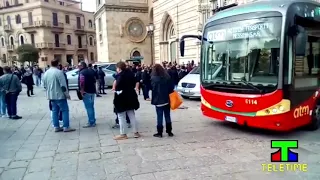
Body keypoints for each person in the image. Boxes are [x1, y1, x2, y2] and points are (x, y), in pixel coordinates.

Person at [43, 59, 75, 132]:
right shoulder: (59, 72)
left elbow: (44, 85)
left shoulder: (46, 73)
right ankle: (66, 126)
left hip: (51, 95)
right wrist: (67, 94)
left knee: (54, 111)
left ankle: (56, 126)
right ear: (57, 64)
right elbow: (63, 85)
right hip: (60, 95)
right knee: (64, 110)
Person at [113, 61, 140, 140]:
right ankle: (135, 132)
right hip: (131, 96)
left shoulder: (120, 76)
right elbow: (135, 82)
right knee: (131, 115)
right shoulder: (130, 74)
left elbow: (117, 87)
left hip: (122, 98)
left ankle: (123, 134)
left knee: (121, 116)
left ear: (119, 68)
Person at [151, 64, 174, 138]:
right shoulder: (167, 77)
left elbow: (152, 89)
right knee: (167, 115)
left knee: (159, 116)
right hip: (166, 99)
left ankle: (160, 132)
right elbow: (171, 87)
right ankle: (169, 131)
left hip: (158, 100)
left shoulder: (153, 79)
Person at [78, 61, 97, 128]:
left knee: (88, 107)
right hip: (92, 91)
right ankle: (93, 120)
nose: (78, 67)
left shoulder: (82, 72)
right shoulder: (91, 71)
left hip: (86, 92)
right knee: (91, 106)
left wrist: (82, 91)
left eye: (79, 66)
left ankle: (91, 122)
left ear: (82, 66)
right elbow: (95, 81)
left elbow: (82, 82)